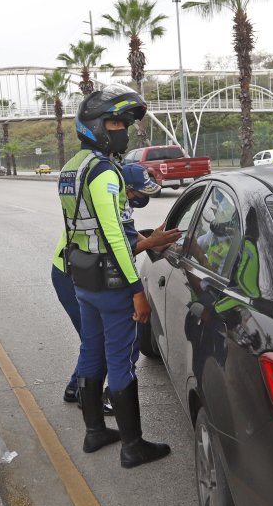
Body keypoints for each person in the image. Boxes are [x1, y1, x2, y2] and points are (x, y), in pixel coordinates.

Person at [57, 83, 172, 469]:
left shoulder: (72, 168)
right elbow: (115, 238)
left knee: (91, 353)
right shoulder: (104, 172)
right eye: (116, 122)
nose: (122, 129)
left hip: (83, 280)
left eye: (123, 122)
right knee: (121, 362)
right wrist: (136, 290)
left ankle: (95, 432)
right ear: (96, 126)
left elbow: (81, 230)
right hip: (110, 284)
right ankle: (133, 446)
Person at [50, 162, 179, 411]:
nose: (143, 198)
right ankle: (92, 400)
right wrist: (151, 244)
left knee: (94, 340)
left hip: (82, 271)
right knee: (96, 341)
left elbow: (127, 233)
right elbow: (115, 245)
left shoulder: (118, 200)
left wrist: (152, 241)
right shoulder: (105, 199)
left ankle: (76, 389)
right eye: (140, 193)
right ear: (126, 189)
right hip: (72, 274)